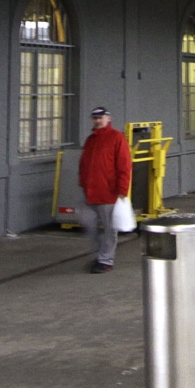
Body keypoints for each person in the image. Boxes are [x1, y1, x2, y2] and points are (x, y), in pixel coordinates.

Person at [77, 106, 132, 272]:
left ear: (108, 118)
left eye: (101, 117)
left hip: (108, 192)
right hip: (90, 191)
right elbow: (84, 164)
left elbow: (124, 165)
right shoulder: (91, 140)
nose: (97, 120)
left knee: (109, 228)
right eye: (95, 118)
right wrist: (83, 184)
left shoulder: (117, 138)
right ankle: (102, 253)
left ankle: (106, 260)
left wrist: (122, 189)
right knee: (88, 222)